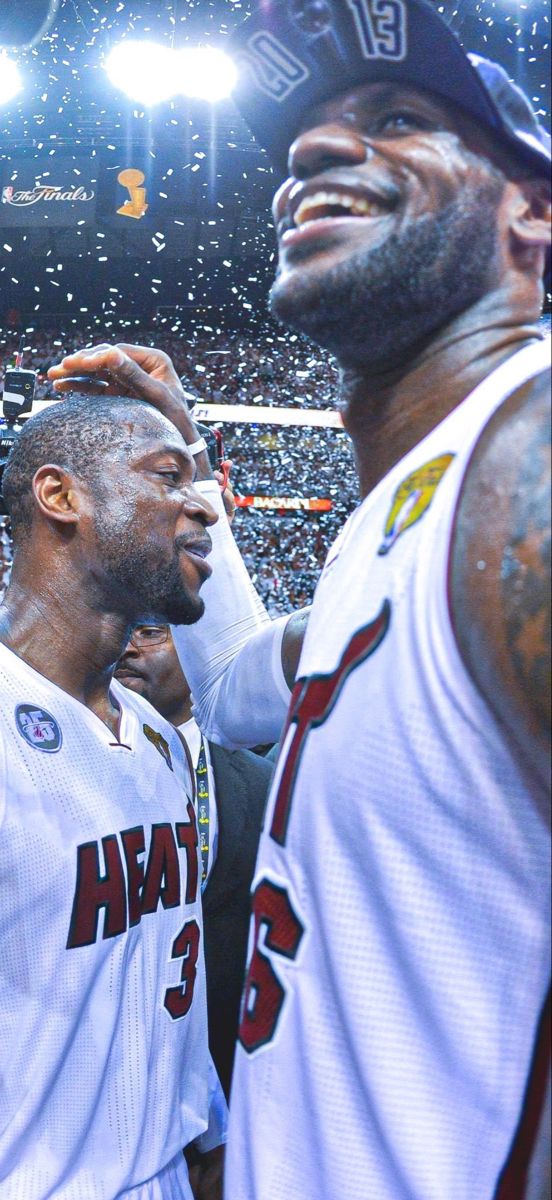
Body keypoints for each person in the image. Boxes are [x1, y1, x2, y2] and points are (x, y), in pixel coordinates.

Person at [49, 2, 551, 1194]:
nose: (315, 152)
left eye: (398, 119)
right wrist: (188, 449)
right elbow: (229, 688)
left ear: (534, 214)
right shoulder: (411, 519)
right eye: (308, 134)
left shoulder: (525, 470)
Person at [0, 391, 228, 1200]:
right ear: (60, 496)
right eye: (168, 475)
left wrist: (208, 1142)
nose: (200, 503)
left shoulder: (159, 733)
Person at [114, 622, 274, 1098]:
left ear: (200, 654)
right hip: (107, 1083)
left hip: (230, 1077)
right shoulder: (69, 765)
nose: (127, 647)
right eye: (123, 630)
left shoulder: (267, 784)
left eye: (147, 632)